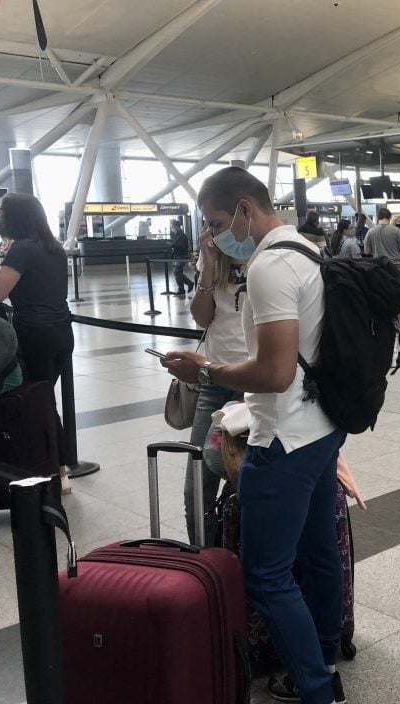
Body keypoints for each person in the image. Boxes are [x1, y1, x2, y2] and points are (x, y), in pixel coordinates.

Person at [161, 167, 348, 704]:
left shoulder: (268, 265)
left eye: (219, 222)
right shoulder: (308, 249)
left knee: (266, 575)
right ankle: (325, 657)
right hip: (323, 427)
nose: (218, 234)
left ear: (245, 208)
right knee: (317, 554)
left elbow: (274, 373)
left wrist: (205, 370)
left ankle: (315, 689)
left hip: (283, 438)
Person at [0, 193, 73, 494]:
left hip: (35, 335)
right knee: (45, 399)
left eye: (0, 212)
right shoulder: (54, 248)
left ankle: (58, 471)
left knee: (41, 404)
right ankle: (59, 468)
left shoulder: (21, 250)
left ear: (16, 216)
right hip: (62, 334)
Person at [184, 223, 248, 545]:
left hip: (256, 382)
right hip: (213, 379)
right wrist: (208, 268)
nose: (213, 229)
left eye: (219, 221)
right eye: (210, 224)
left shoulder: (268, 254)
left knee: (246, 478)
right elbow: (201, 318)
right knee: (198, 482)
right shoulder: (214, 257)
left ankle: (240, 557)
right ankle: (204, 561)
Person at [170, 219, 195, 296]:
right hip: (177, 255)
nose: (172, 228)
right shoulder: (177, 235)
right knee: (178, 273)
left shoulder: (182, 235)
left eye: (172, 226)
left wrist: (172, 245)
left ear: (176, 226)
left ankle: (190, 283)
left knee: (177, 272)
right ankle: (181, 289)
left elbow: (181, 246)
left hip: (181, 256)